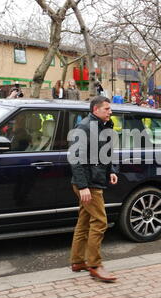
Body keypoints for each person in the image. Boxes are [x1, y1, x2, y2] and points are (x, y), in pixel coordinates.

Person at [68, 96, 118, 282]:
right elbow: (75, 158)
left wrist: (111, 170)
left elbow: (106, 151)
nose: (110, 111)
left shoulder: (105, 125)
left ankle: (78, 261)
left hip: (95, 179)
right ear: (96, 110)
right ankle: (95, 265)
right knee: (100, 221)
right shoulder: (85, 128)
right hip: (88, 183)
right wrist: (83, 186)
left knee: (84, 220)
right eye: (107, 109)